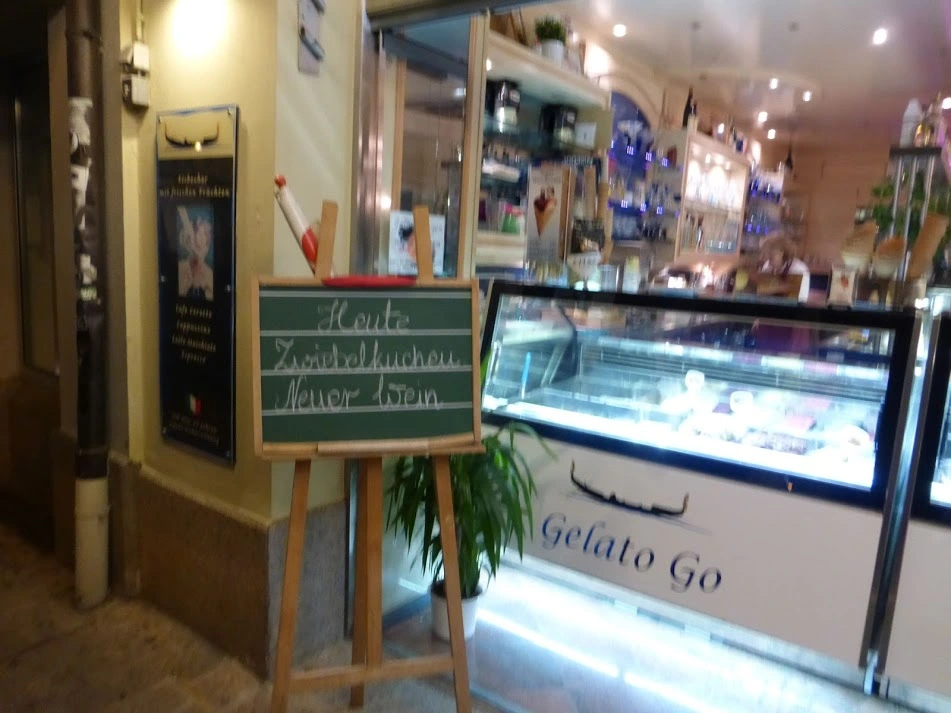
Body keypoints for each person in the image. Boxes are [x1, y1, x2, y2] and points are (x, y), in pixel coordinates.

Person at [760, 235, 810, 303]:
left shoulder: (799, 269)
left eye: (770, 254)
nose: (765, 258)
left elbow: (802, 298)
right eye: (764, 254)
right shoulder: (767, 266)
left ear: (782, 253)